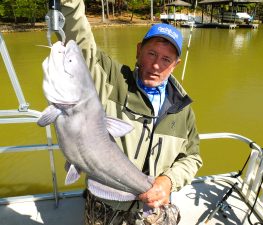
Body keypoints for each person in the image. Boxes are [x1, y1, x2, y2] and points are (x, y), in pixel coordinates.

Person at [61, 0, 202, 224]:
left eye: (166, 59)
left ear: (175, 64)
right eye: (151, 53)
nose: (156, 65)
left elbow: (192, 157)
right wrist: (70, 4)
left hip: (154, 209)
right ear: (138, 50)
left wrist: (167, 182)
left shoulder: (182, 109)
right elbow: (80, 43)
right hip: (106, 207)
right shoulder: (111, 79)